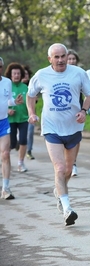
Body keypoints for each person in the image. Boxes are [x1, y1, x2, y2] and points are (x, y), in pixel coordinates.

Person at [27, 43, 90, 226]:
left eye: (63, 56)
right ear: (50, 59)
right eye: (56, 57)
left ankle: (59, 190)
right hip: (52, 128)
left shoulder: (78, 73)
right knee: (59, 168)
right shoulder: (41, 75)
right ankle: (67, 209)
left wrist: (84, 110)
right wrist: (31, 113)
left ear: (67, 56)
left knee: (68, 169)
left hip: (73, 127)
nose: (60, 60)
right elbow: (30, 95)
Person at [0, 57, 23, 200]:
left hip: (3, 122)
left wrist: (15, 102)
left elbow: (7, 100)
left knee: (5, 154)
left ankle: (5, 189)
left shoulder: (7, 82)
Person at [5, 63, 29, 172]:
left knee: (23, 140)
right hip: (10, 119)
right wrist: (7, 110)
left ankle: (20, 163)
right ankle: (5, 161)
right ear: (10, 74)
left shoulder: (25, 87)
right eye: (14, 73)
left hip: (23, 118)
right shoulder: (6, 86)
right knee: (12, 143)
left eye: (18, 73)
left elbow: (30, 102)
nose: (16, 75)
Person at [67, 49, 83, 176]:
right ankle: (67, 161)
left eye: (73, 59)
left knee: (76, 136)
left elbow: (88, 91)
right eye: (69, 59)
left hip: (78, 108)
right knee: (64, 136)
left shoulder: (80, 74)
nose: (71, 61)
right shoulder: (60, 73)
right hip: (63, 110)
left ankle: (74, 162)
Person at [22, 65, 36, 160]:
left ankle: (29, 151)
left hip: (30, 114)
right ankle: (20, 144)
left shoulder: (31, 85)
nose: (25, 76)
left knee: (30, 132)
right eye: (24, 74)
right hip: (18, 115)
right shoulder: (14, 86)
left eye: (27, 74)